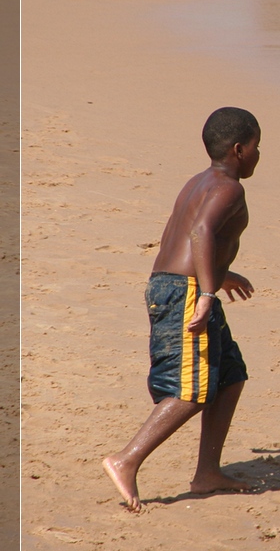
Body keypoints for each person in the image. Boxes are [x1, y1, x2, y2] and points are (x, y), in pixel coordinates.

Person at [102, 107, 261, 511]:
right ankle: (126, 459)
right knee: (189, 390)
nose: (260, 156)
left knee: (229, 375)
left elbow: (178, 237)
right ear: (239, 149)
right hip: (186, 291)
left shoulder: (199, 182)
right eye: (258, 147)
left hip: (176, 282)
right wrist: (207, 292)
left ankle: (207, 472)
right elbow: (201, 231)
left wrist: (222, 276)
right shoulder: (229, 188)